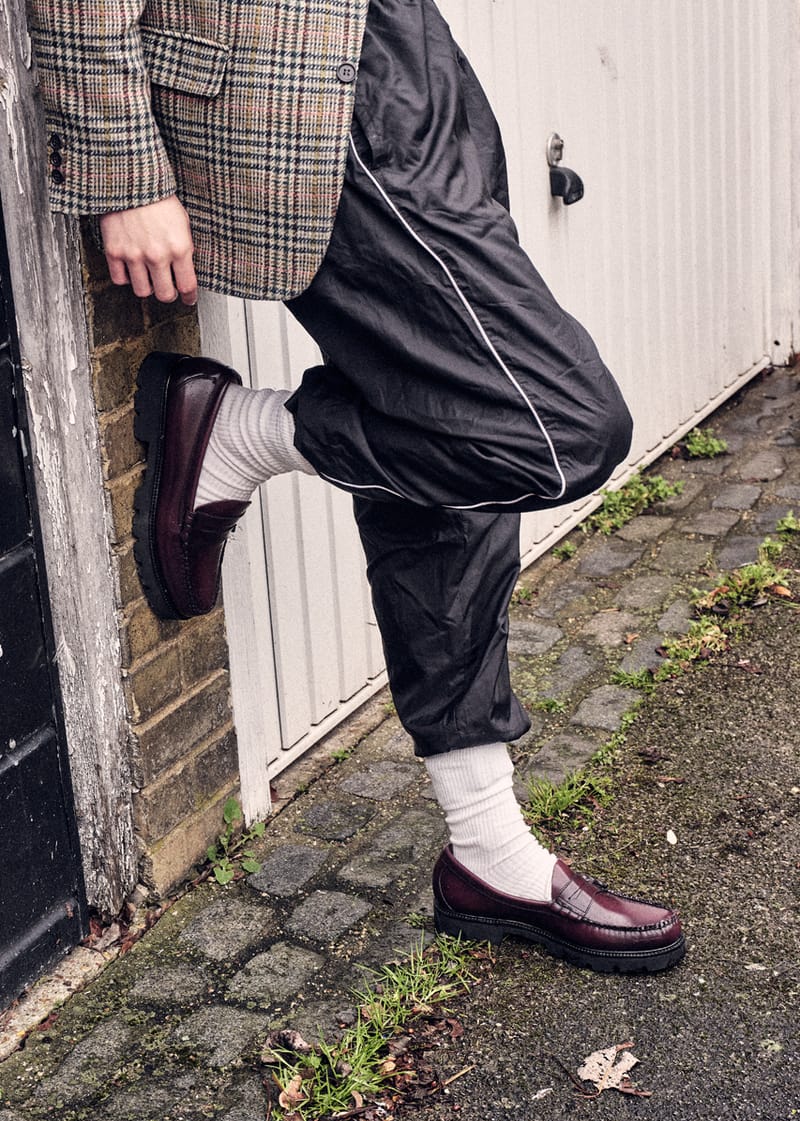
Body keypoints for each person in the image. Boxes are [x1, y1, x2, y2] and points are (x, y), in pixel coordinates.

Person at [29, 0, 685, 974]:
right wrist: (122, 164)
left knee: (449, 429)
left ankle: (486, 849)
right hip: (298, 79)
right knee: (556, 429)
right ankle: (244, 434)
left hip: (406, 49)